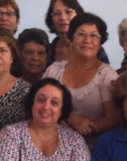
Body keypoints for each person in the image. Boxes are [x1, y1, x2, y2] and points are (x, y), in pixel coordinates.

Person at [0, 78, 94, 161]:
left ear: (62, 110)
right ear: (32, 103)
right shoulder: (11, 134)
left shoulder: (74, 140)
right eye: (41, 100)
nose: (46, 107)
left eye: (54, 103)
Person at [43, 12, 120, 140]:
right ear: (71, 39)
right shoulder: (54, 70)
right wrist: (70, 117)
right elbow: (40, 106)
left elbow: (113, 120)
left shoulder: (107, 76)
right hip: (50, 141)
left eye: (94, 35)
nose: (87, 40)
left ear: (100, 42)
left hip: (94, 146)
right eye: (81, 34)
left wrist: (81, 130)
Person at [44, 0, 110, 65]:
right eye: (57, 13)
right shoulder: (46, 51)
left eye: (68, 12)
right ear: (51, 19)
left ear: (78, 15)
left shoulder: (93, 48)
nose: (63, 18)